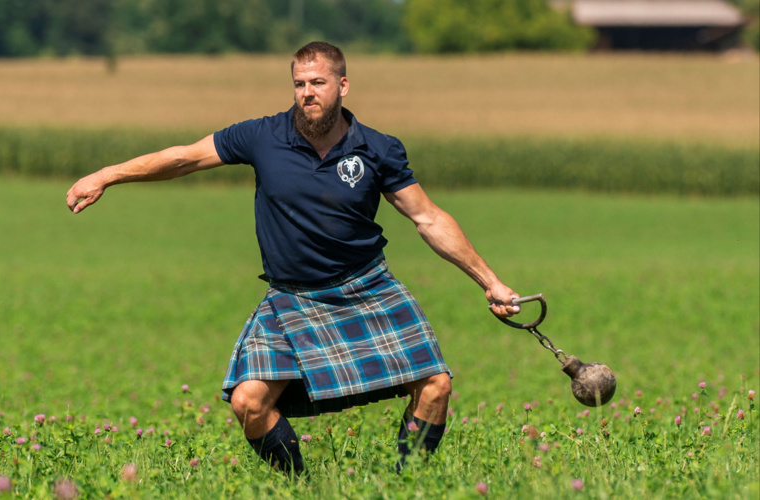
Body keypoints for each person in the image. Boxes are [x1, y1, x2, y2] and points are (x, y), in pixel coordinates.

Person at [66, 41, 520, 474]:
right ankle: (302, 488)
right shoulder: (261, 136)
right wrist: (107, 175)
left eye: (318, 82)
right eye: (300, 84)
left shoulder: (378, 148)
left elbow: (428, 218)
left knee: (436, 386)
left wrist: (491, 282)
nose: (307, 93)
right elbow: (184, 158)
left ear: (343, 85)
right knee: (248, 403)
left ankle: (411, 483)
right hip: (292, 297)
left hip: (367, 287)